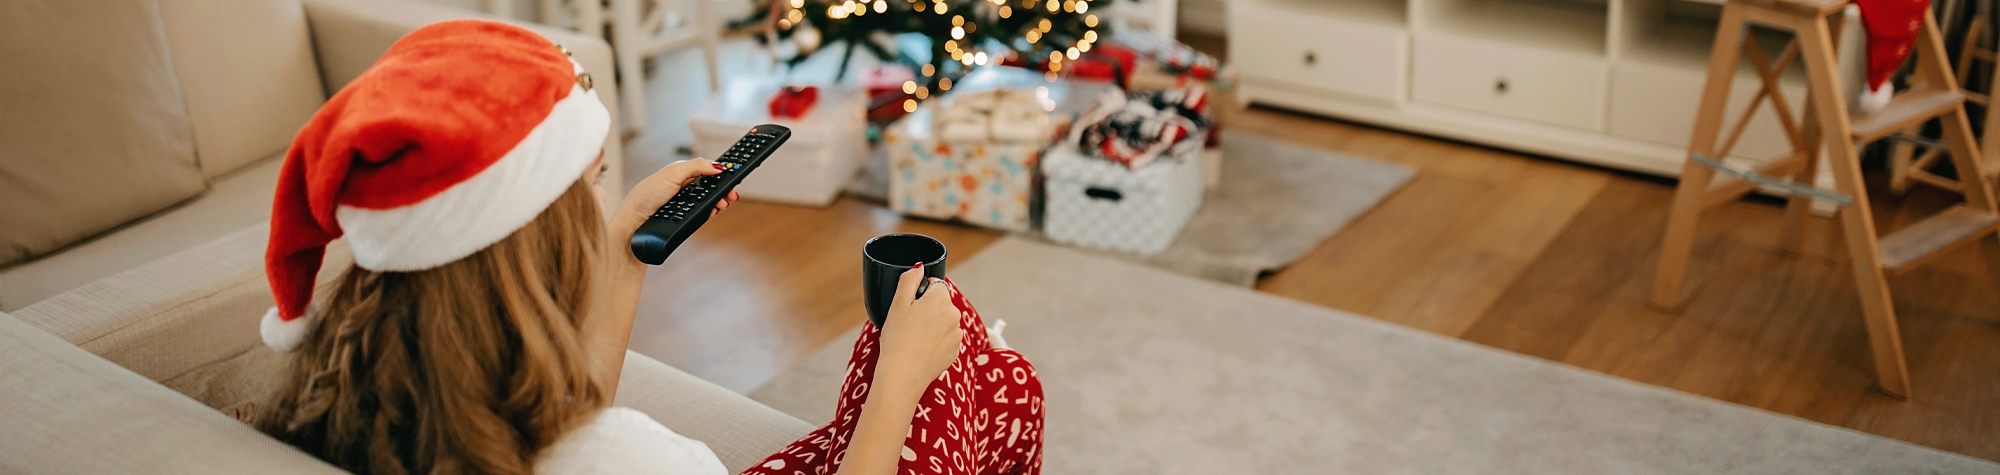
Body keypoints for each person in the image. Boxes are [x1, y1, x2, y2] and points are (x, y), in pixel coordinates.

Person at [252, 19, 1043, 475]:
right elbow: (585, 436)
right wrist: (901, 375)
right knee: (973, 364)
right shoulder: (628, 460)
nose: (601, 200)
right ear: (532, 243)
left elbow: (555, 417)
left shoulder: (356, 397)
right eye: (590, 182)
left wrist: (624, 253)